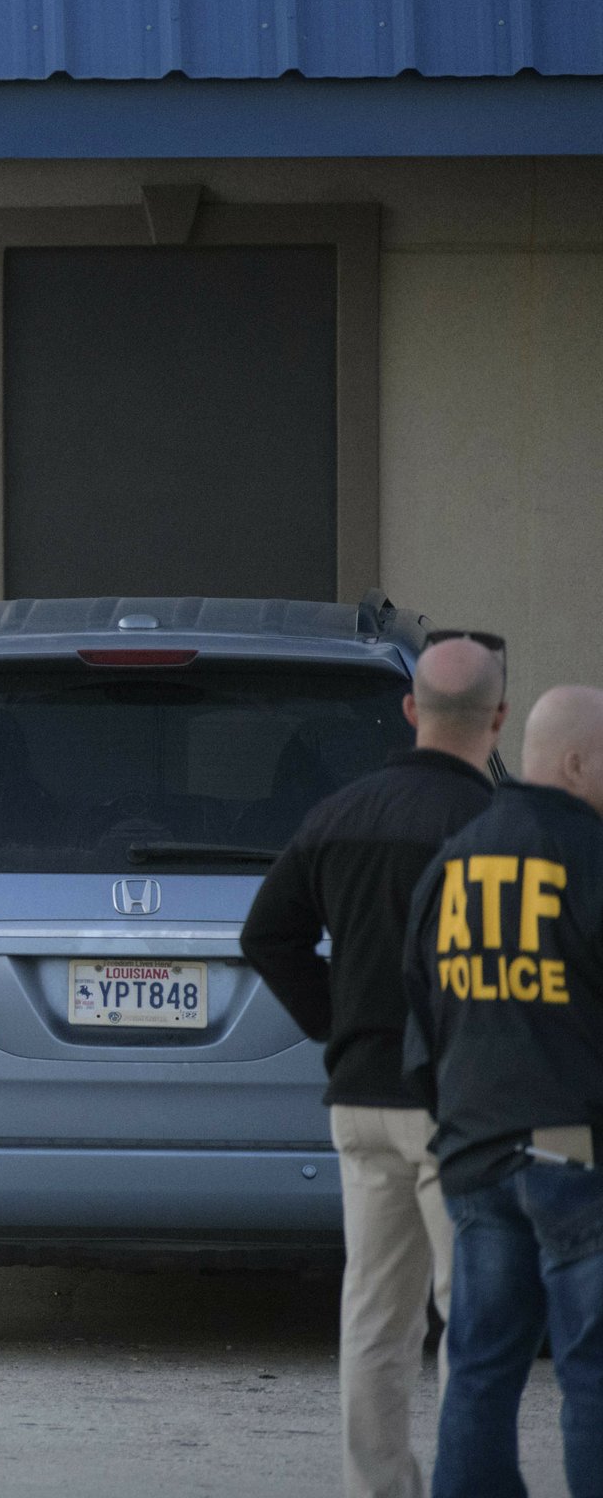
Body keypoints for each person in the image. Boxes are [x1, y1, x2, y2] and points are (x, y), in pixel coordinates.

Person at [246, 633, 507, 1498]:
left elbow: (267, 936)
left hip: (359, 1096)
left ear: (410, 711)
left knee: (374, 1319)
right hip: (461, 1104)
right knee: (474, 1315)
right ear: (498, 720)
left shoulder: (340, 814)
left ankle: (377, 1488)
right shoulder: (498, 830)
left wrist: (340, 1025)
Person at [405, 683, 603, 1498]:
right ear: (577, 762)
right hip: (573, 1160)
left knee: (480, 1370)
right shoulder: (590, 859)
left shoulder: (453, 863)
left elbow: (418, 1020)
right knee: (592, 1376)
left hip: (474, 1157)